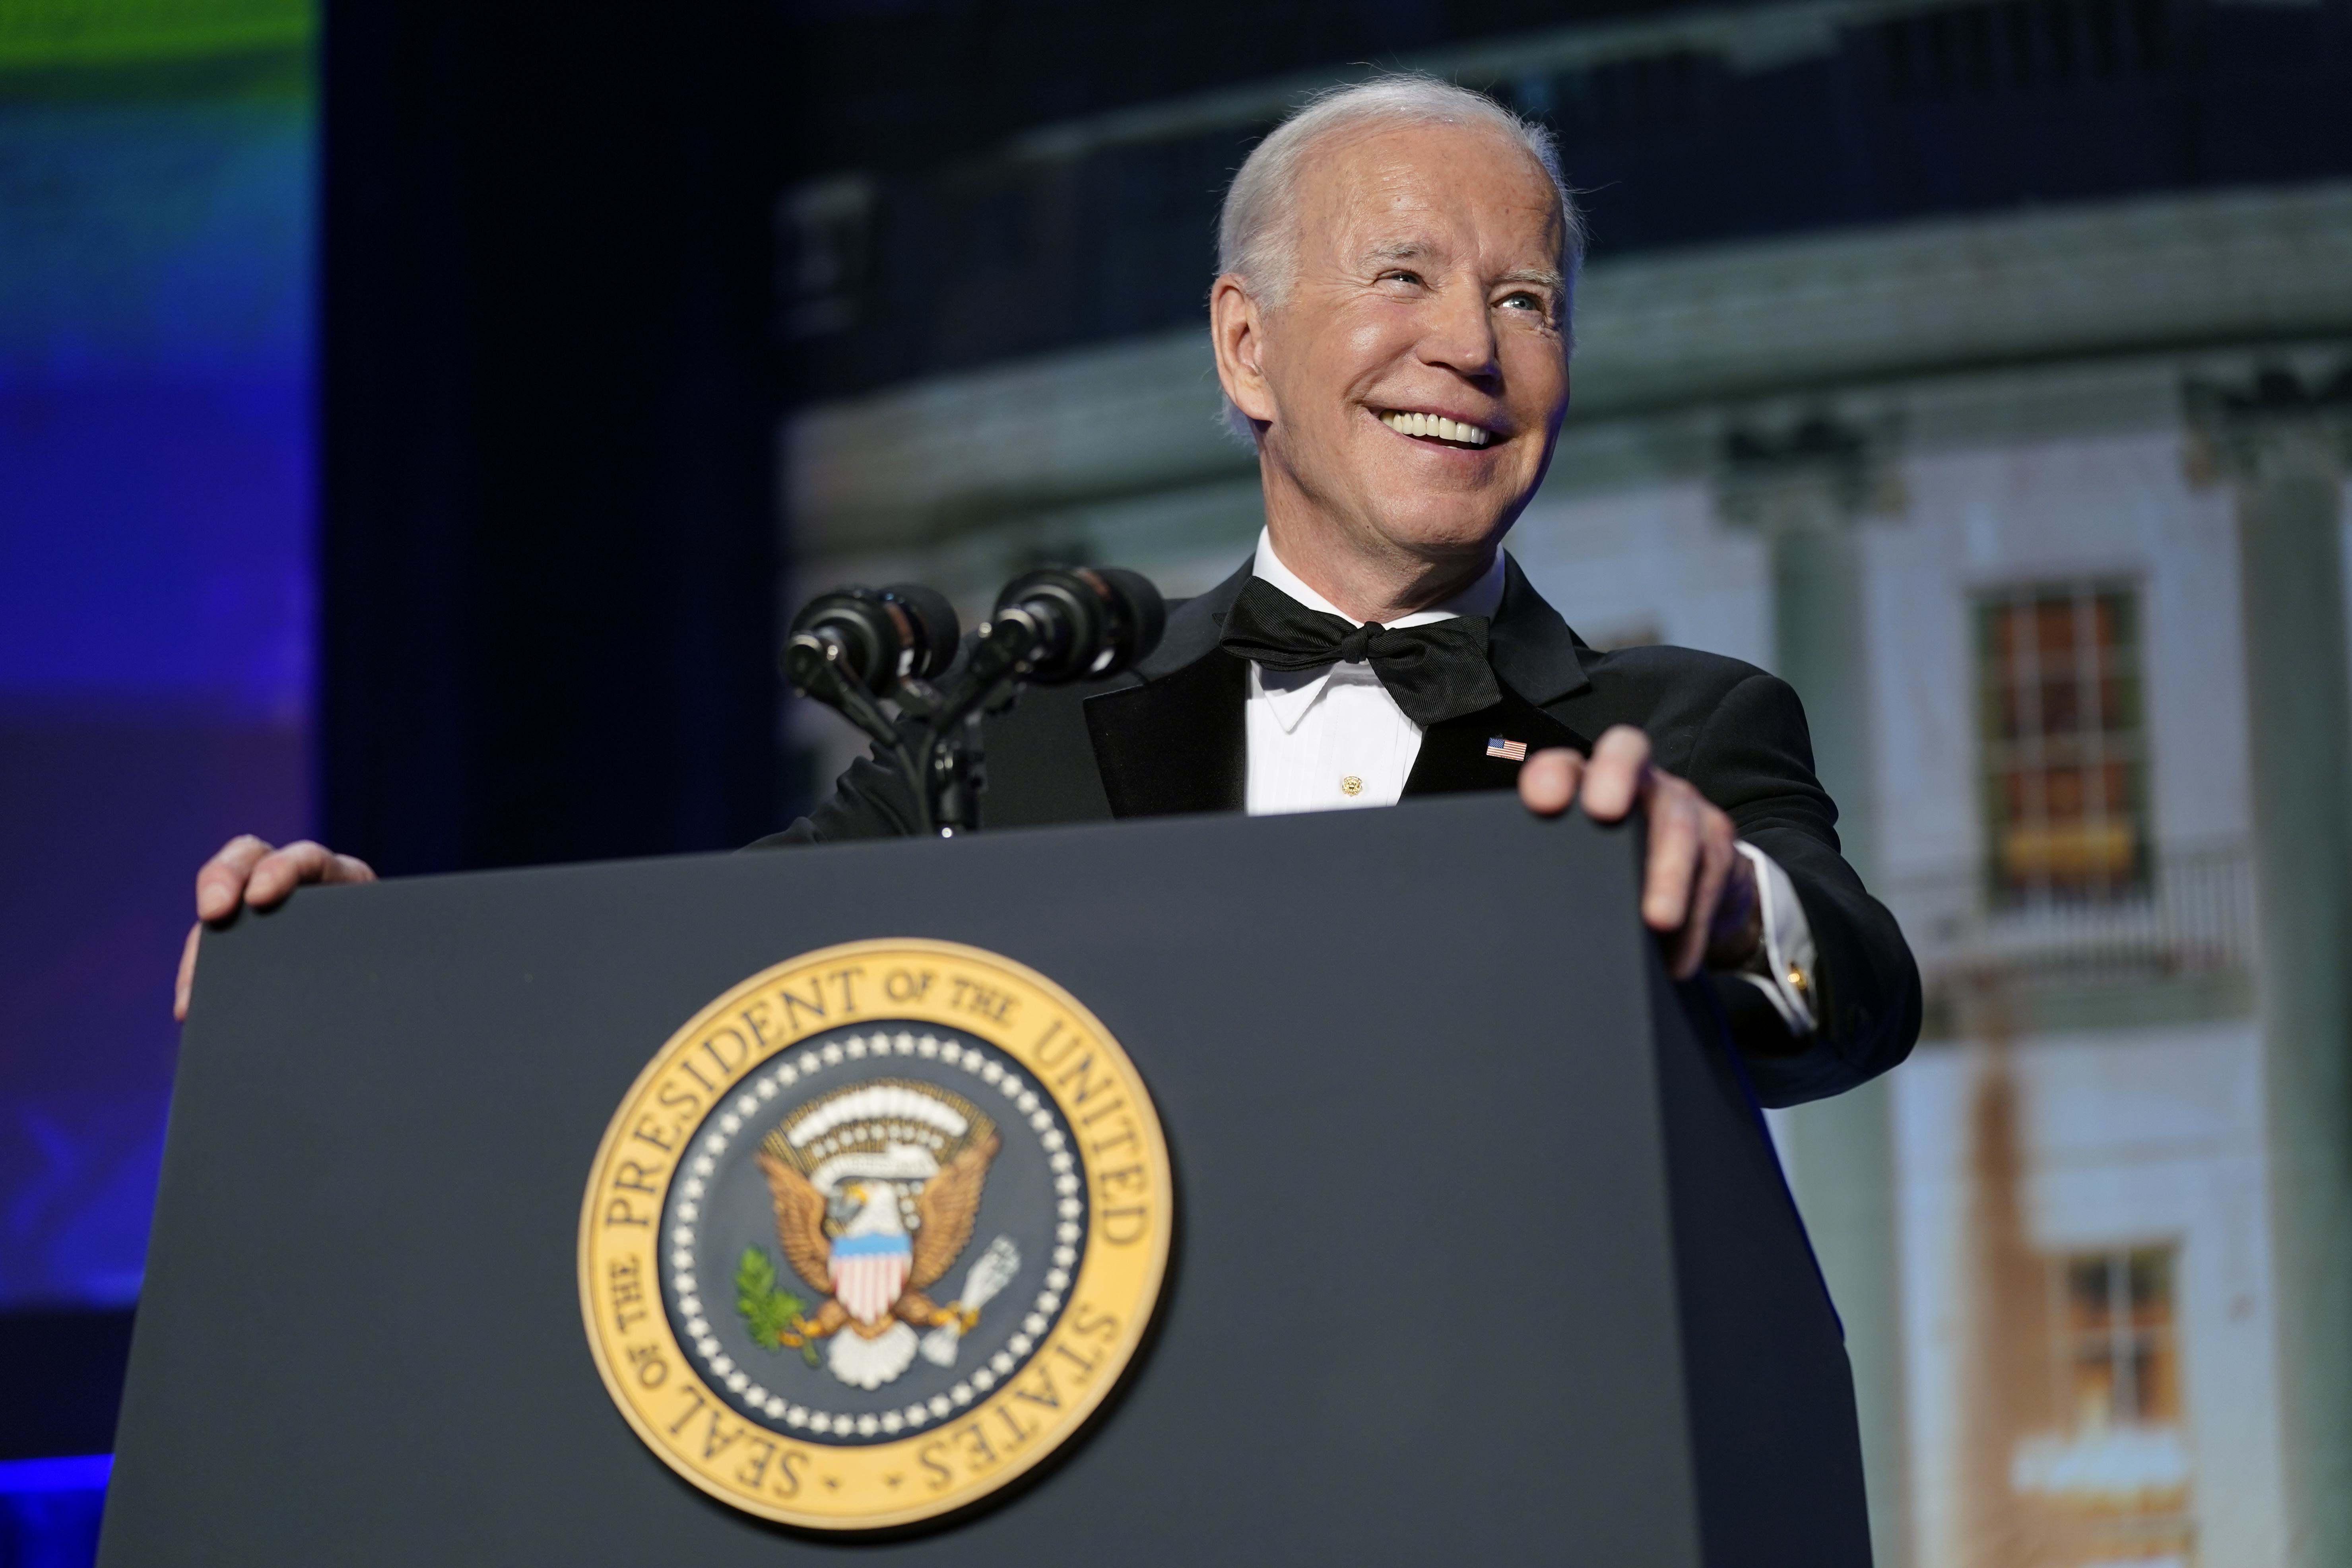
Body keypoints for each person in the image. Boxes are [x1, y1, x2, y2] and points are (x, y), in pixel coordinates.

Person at [180, 76, 1917, 1106]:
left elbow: (1855, 982)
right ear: (1247, 345)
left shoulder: (1677, 727)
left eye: (1529, 301)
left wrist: (1722, 892)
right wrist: (358, 965)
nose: (1469, 344)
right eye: (1404, 276)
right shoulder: (1015, 728)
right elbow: (679, 979)